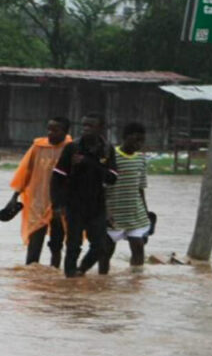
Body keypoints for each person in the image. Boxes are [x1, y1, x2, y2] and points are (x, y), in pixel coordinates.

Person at [52, 113, 119, 277]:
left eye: (90, 126)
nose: (86, 129)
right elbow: (57, 177)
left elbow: (112, 178)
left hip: (96, 205)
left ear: (100, 128)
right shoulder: (72, 147)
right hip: (74, 204)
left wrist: (89, 163)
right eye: (84, 126)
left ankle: (81, 270)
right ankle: (69, 280)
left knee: (100, 246)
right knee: (73, 245)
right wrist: (57, 205)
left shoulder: (107, 149)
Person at [7, 116, 73, 266]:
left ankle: (53, 276)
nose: (50, 133)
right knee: (34, 243)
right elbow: (25, 172)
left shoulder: (71, 148)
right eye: (49, 129)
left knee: (56, 245)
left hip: (60, 205)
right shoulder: (38, 147)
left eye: (55, 130)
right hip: (37, 202)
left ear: (65, 131)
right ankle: (32, 277)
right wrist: (15, 196)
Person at [105, 122, 152, 267]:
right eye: (136, 140)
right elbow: (103, 188)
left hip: (135, 213)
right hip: (114, 212)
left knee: (138, 248)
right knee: (106, 251)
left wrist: (146, 212)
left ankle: (136, 280)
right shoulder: (111, 157)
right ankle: (103, 278)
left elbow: (140, 188)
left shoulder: (140, 159)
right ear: (125, 138)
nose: (139, 144)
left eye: (141, 141)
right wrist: (106, 211)